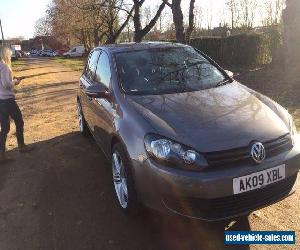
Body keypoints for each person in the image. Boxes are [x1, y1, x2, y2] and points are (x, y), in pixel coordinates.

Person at [0, 46, 33, 162]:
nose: (10, 56)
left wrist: (12, 79)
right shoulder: (4, 66)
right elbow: (7, 85)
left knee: (4, 128)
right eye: (9, 54)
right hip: (8, 100)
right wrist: (15, 81)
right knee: (19, 122)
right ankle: (21, 146)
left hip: (0, 101)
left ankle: (1, 154)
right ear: (5, 54)